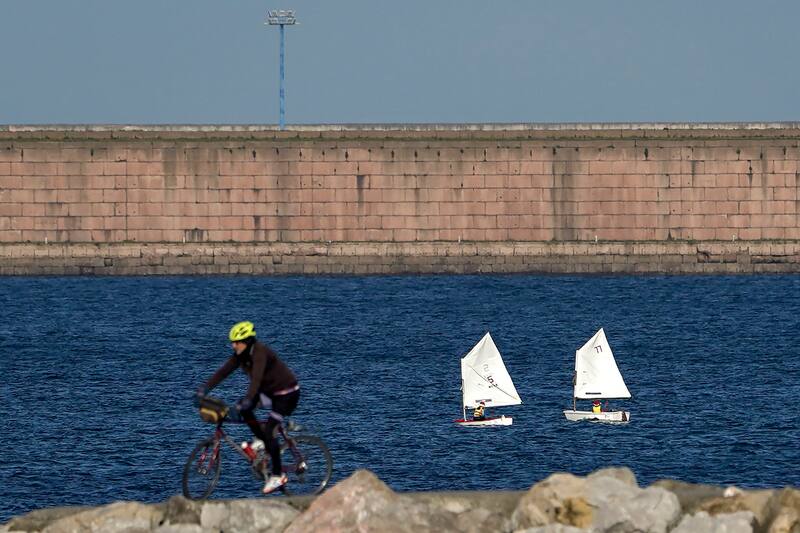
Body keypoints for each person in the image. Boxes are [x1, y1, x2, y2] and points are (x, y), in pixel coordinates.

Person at [196, 321, 300, 495]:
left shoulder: (260, 353)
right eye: (232, 342)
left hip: (287, 394)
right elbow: (223, 372)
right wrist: (204, 389)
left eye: (237, 342)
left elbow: (256, 381)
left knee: (269, 430)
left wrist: (248, 399)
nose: (233, 345)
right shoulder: (241, 355)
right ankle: (262, 440)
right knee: (244, 409)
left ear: (248, 341)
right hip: (270, 393)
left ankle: (277, 475)